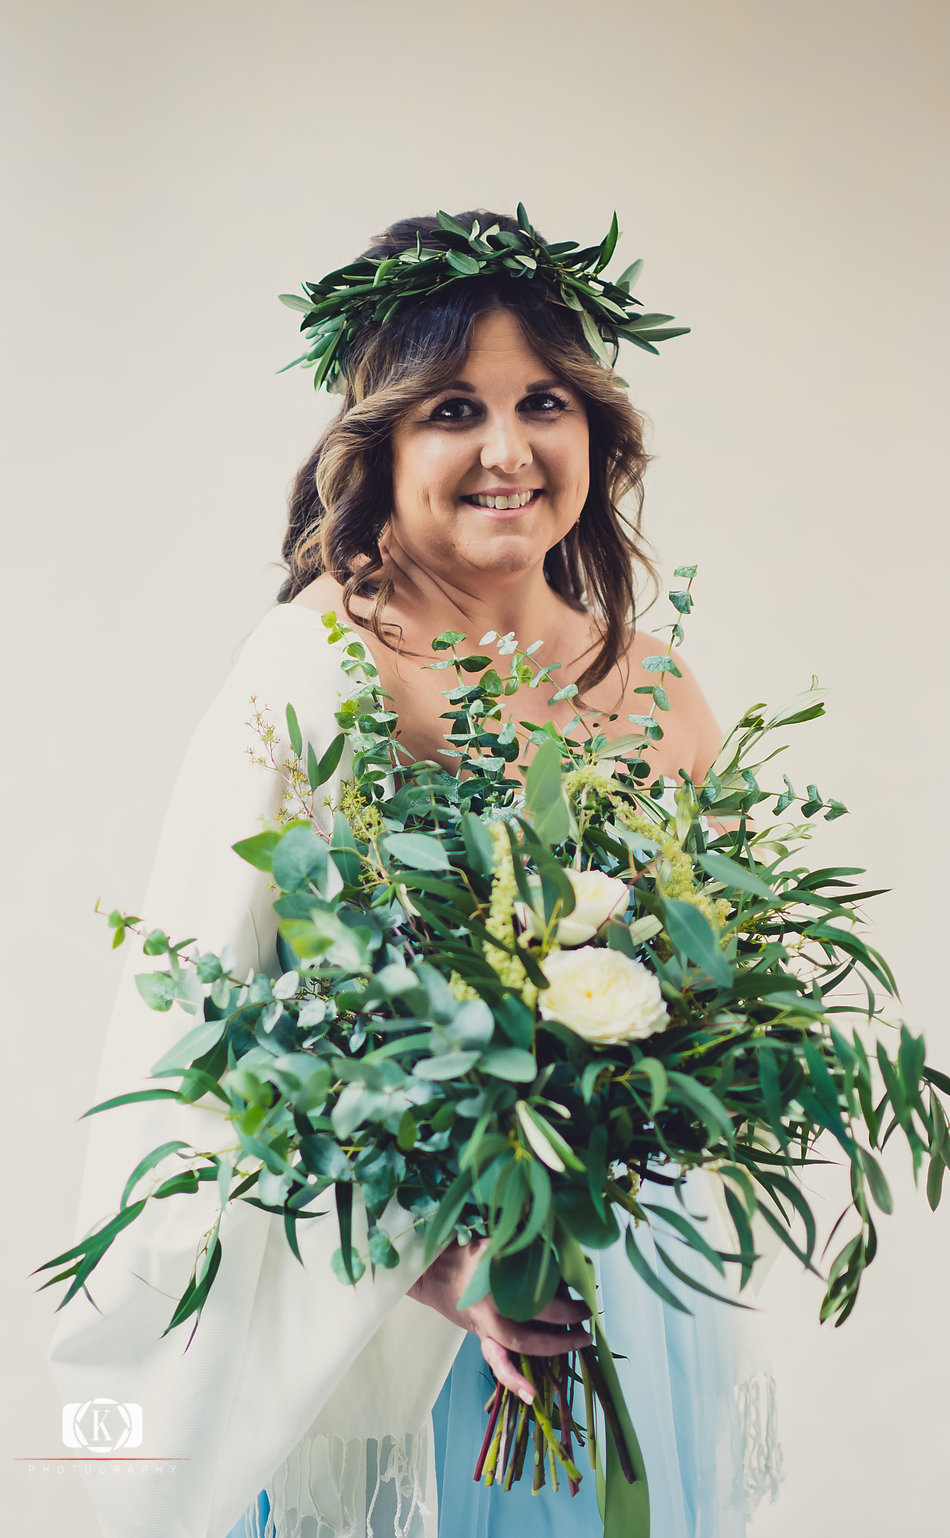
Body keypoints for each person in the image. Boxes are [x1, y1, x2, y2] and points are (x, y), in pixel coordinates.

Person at [50, 210, 780, 1538]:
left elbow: (722, 1004)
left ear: (596, 435)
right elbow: (205, 1039)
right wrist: (445, 1262)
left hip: (617, 1297)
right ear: (381, 443)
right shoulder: (312, 670)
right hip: (401, 1321)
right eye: (454, 407)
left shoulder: (661, 691)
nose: (508, 449)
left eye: (544, 400)